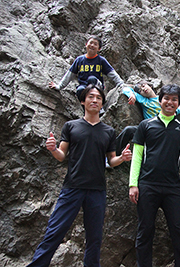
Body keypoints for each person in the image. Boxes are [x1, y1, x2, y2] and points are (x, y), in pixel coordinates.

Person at [27, 84, 132, 267]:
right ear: (83, 101)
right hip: (72, 187)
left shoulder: (108, 132)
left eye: (99, 98)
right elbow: (61, 155)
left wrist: (122, 158)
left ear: (102, 104)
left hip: (97, 190)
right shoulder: (71, 126)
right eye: (91, 97)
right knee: (55, 231)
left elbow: (111, 161)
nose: (94, 100)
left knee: (95, 238)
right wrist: (52, 149)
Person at [128, 84, 180, 267]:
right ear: (160, 100)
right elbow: (137, 156)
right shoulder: (145, 126)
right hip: (148, 184)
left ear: (178, 103)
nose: (170, 102)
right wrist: (133, 184)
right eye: (166, 98)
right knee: (145, 231)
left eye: (174, 99)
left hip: (173, 187)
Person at [117, 80, 180, 174]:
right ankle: (112, 155)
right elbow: (125, 88)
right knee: (129, 130)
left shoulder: (165, 98)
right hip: (150, 131)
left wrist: (175, 110)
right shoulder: (143, 100)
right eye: (140, 90)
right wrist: (132, 94)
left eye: (143, 86)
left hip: (169, 130)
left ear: (150, 85)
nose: (143, 89)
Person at [49, 35, 124, 100]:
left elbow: (112, 73)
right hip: (84, 87)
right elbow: (70, 74)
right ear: (86, 44)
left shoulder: (101, 60)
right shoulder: (79, 60)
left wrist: (121, 84)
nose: (92, 45)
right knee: (80, 90)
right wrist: (59, 86)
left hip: (97, 86)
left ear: (99, 49)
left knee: (92, 79)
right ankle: (86, 111)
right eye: (90, 43)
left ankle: (99, 107)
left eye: (95, 44)